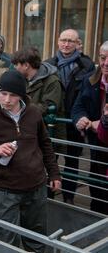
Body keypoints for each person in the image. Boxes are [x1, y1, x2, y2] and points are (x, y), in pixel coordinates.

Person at [0, 70, 62, 253]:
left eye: (13, 95)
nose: (7, 100)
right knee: (5, 240)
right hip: (5, 189)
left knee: (36, 238)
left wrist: (55, 173)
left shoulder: (34, 113)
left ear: (22, 96)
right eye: (3, 94)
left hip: (36, 186)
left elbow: (45, 144)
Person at [44, 29, 95, 204]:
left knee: (72, 162)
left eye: (70, 41)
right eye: (63, 40)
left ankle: (68, 197)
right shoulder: (48, 64)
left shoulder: (87, 65)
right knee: (50, 160)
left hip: (74, 122)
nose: (66, 44)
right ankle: (48, 195)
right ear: (58, 41)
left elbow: (89, 95)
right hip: (54, 122)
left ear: (77, 43)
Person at [72, 41, 108, 214]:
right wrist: (81, 118)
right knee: (96, 186)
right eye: (102, 58)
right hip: (97, 145)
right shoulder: (91, 79)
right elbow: (78, 107)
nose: (106, 63)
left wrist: (100, 124)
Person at [12, 47, 66, 155]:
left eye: (16, 64)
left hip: (45, 134)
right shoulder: (22, 78)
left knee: (43, 167)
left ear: (26, 65)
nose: (14, 68)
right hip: (27, 132)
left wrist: (19, 107)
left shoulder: (52, 81)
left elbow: (49, 106)